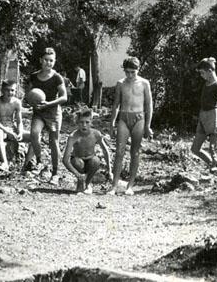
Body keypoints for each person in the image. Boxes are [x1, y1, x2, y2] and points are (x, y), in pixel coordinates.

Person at [108, 57, 153, 195]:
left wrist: (148, 125)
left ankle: (130, 186)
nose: (129, 75)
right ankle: (114, 186)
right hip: (124, 117)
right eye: (127, 72)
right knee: (119, 151)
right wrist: (112, 123)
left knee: (135, 152)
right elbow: (116, 104)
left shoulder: (144, 83)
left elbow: (149, 104)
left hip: (139, 117)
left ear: (138, 70)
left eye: (132, 72)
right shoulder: (120, 83)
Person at [22, 47, 68, 185]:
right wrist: (31, 102)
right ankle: (40, 161)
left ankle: (55, 173)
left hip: (53, 112)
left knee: (53, 142)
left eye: (51, 61)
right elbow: (28, 95)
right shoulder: (34, 76)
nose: (49, 63)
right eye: (46, 60)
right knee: (34, 133)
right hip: (39, 112)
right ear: (41, 60)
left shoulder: (57, 77)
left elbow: (64, 97)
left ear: (54, 61)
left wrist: (48, 104)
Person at [63, 108, 113, 193]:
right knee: (77, 162)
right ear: (77, 123)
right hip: (78, 161)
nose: (84, 125)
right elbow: (65, 160)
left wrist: (109, 170)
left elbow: (105, 151)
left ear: (91, 122)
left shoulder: (96, 134)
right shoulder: (73, 136)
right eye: (81, 122)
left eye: (87, 122)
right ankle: (80, 181)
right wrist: (77, 174)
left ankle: (87, 183)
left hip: (91, 161)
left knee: (96, 160)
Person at [191, 57, 217, 170]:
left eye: (202, 73)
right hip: (203, 115)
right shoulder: (206, 83)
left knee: (213, 149)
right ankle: (213, 165)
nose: (201, 75)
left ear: (210, 71)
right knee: (195, 149)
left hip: (213, 116)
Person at [0, 80, 28, 172]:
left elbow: (19, 121)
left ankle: (28, 164)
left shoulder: (17, 102)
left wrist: (19, 132)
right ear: (2, 90)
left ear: (15, 91)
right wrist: (7, 131)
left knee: (35, 136)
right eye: (7, 90)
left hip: (11, 127)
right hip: (0, 127)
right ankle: (5, 163)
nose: (10, 93)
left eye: (12, 90)